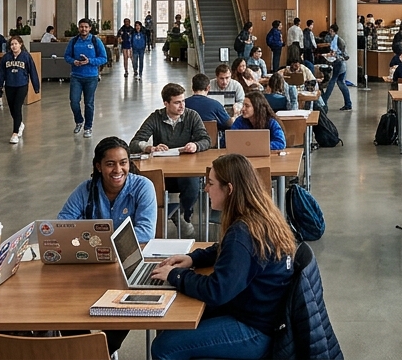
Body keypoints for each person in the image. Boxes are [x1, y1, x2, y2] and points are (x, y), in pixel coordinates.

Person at [150, 154, 297, 360]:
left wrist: (176, 275)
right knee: (178, 318)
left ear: (229, 189)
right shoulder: (259, 217)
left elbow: (216, 291)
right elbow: (225, 250)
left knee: (164, 347)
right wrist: (193, 259)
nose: (206, 189)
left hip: (255, 330)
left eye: (210, 183)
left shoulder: (242, 234)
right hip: (264, 314)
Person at [132, 83, 212, 237]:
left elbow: (206, 140)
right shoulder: (156, 117)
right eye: (177, 102)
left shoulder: (191, 115)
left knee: (192, 184)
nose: (182, 106)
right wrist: (150, 148)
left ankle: (183, 215)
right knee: (149, 184)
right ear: (166, 103)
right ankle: (154, 223)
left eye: (183, 101)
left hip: (186, 169)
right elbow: (135, 143)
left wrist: (195, 145)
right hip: (163, 172)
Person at [59, 137, 158, 243]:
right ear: (99, 167)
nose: (118, 170)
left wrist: (99, 241)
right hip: (93, 256)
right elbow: (62, 225)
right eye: (110, 164)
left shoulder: (143, 187)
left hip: (130, 255)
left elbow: (146, 232)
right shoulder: (85, 190)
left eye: (123, 163)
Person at [65, 18, 108, 137]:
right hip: (76, 77)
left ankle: (88, 127)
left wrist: (90, 61)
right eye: (81, 27)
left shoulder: (95, 41)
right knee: (74, 101)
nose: (83, 29)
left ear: (90, 28)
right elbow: (67, 56)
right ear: (78, 28)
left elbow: (104, 58)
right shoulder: (73, 41)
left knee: (89, 103)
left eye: (86, 27)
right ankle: (79, 121)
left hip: (91, 77)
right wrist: (74, 61)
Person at [0, 36, 40, 144]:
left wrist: (36, 86)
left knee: (17, 107)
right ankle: (19, 123)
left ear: (20, 44)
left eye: (16, 44)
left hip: (22, 85)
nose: (14, 46)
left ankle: (15, 133)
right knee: (12, 108)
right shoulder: (6, 57)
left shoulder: (26, 57)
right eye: (12, 44)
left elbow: (33, 71)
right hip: (10, 85)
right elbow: (1, 73)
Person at [322, 23, 353, 111]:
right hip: (339, 64)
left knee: (332, 82)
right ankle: (348, 103)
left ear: (335, 32)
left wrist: (335, 56)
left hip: (339, 63)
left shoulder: (339, 41)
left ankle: (324, 101)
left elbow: (346, 56)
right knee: (341, 83)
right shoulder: (333, 40)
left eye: (331, 31)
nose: (330, 32)